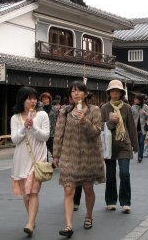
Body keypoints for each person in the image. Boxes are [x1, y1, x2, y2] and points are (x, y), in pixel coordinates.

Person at [53, 81, 105, 237]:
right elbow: (59, 134)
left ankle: (88, 216)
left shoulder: (94, 110)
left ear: (85, 93)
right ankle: (69, 225)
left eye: (79, 91)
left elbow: (96, 132)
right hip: (69, 155)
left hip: (89, 156)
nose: (76, 94)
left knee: (88, 189)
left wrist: (84, 121)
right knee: (68, 189)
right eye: (73, 91)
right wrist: (56, 154)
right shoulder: (65, 112)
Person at [10, 86, 50, 236]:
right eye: (29, 98)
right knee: (26, 194)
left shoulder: (42, 116)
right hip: (21, 158)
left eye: (34, 98)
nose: (33, 101)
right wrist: (23, 127)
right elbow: (15, 139)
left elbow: (45, 136)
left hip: (37, 158)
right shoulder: (15, 118)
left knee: (33, 191)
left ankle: (30, 223)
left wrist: (33, 127)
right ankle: (31, 218)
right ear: (22, 100)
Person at [101, 79, 138, 213]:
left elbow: (131, 127)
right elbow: (100, 126)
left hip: (124, 144)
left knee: (124, 173)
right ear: (109, 93)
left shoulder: (127, 107)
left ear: (121, 93)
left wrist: (135, 144)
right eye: (112, 92)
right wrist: (111, 122)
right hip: (109, 145)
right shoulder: (105, 108)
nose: (115, 94)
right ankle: (111, 201)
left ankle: (125, 202)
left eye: (117, 92)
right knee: (110, 175)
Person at [39, 92, 59, 163]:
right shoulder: (39, 110)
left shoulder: (55, 109)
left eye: (46, 99)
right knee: (44, 150)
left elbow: (58, 120)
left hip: (53, 132)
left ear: (49, 100)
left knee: (53, 149)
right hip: (43, 132)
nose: (45, 101)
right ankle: (46, 163)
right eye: (43, 99)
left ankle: (55, 162)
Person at [131, 94, 148, 163]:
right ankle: (136, 151)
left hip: (143, 128)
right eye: (134, 99)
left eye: (136, 99)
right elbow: (130, 117)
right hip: (135, 128)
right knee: (136, 142)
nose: (134, 100)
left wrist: (145, 113)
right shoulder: (132, 107)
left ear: (140, 100)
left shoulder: (145, 107)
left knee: (141, 142)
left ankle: (140, 156)